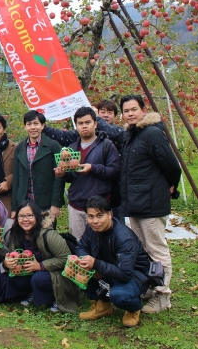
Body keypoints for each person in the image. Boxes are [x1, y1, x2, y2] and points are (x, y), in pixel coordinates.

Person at [118, 95, 181, 313]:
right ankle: (149, 285)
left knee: (156, 248)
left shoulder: (152, 133)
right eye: (126, 111)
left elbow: (172, 165)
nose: (130, 114)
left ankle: (163, 295)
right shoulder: (132, 135)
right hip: (136, 202)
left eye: (134, 109)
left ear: (143, 110)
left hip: (152, 202)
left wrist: (170, 185)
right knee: (142, 248)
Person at [0, 201, 80, 313]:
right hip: (29, 271)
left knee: (38, 278)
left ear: (37, 217)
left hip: (54, 272)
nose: (25, 219)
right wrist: (8, 263)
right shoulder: (16, 234)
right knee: (10, 276)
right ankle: (30, 293)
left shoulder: (49, 235)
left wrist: (40, 265)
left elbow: (66, 258)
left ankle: (56, 298)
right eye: (22, 216)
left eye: (29, 216)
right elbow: (14, 255)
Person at [76, 196, 152, 327]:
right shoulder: (91, 228)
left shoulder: (124, 238)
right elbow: (81, 247)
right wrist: (88, 263)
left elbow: (125, 273)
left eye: (100, 216)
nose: (95, 221)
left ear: (110, 214)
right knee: (77, 271)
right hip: (108, 268)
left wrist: (96, 264)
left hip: (134, 274)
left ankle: (134, 308)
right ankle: (103, 305)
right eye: (91, 216)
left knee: (119, 295)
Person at [53, 107, 121, 241]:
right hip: (76, 205)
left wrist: (93, 168)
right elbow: (72, 176)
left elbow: (114, 171)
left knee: (101, 243)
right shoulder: (72, 148)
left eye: (87, 122)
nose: (84, 126)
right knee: (78, 244)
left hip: (98, 206)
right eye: (80, 123)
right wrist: (62, 174)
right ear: (76, 126)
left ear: (95, 124)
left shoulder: (106, 145)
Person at [11, 110, 65, 220]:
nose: (32, 127)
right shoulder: (20, 148)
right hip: (25, 202)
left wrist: (55, 204)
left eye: (36, 123)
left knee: (46, 234)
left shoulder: (53, 146)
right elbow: (16, 179)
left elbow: (59, 177)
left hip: (46, 202)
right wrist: (14, 207)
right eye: (29, 124)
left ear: (42, 126)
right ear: (25, 127)